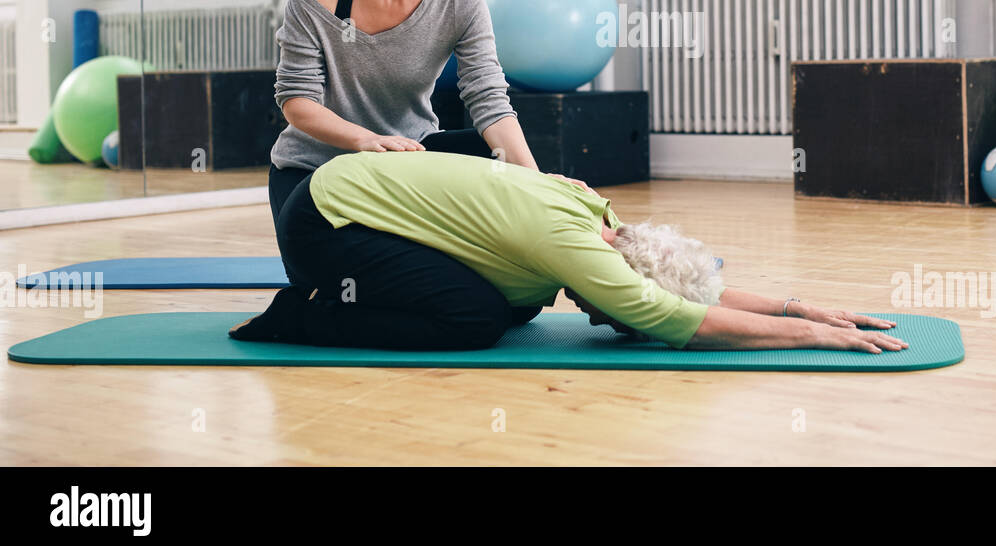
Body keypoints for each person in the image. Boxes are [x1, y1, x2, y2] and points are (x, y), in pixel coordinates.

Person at [230, 150, 909, 355]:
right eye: (616, 314)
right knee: (472, 322)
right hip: (326, 225)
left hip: (353, 193)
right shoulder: (578, 249)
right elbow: (687, 319)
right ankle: (307, 314)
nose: (607, 320)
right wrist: (807, 334)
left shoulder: (598, 210)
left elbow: (693, 295)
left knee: (513, 307)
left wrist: (798, 302)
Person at [267, 0, 543, 286]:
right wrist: (368, 140)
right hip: (314, 173)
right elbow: (297, 101)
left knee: (497, 156)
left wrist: (537, 184)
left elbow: (488, 97)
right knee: (362, 287)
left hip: (406, 169)